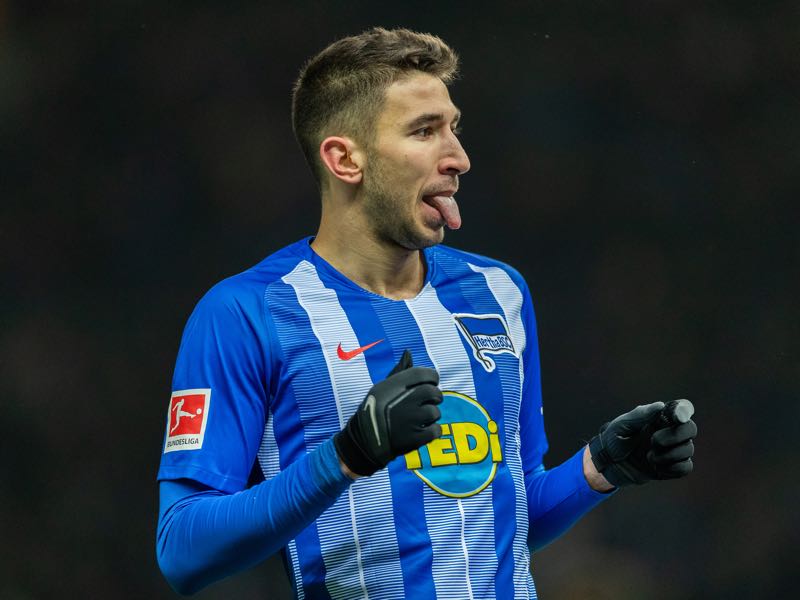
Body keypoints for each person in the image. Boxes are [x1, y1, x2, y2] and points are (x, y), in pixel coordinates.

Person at [156, 27, 697, 599]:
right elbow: (183, 550)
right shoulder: (246, 313)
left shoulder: (498, 293)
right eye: (424, 131)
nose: (459, 158)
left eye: (453, 128)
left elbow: (503, 518)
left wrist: (598, 469)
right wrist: (347, 455)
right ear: (345, 159)